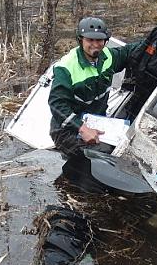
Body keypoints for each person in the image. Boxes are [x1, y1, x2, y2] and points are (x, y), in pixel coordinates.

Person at [49, 16, 142, 158]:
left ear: (105, 41)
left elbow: (129, 51)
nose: (95, 44)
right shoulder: (66, 67)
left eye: (99, 40)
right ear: (80, 40)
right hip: (67, 130)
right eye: (90, 40)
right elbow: (56, 104)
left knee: (125, 146)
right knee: (102, 154)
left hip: (97, 121)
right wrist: (82, 128)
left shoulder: (108, 57)